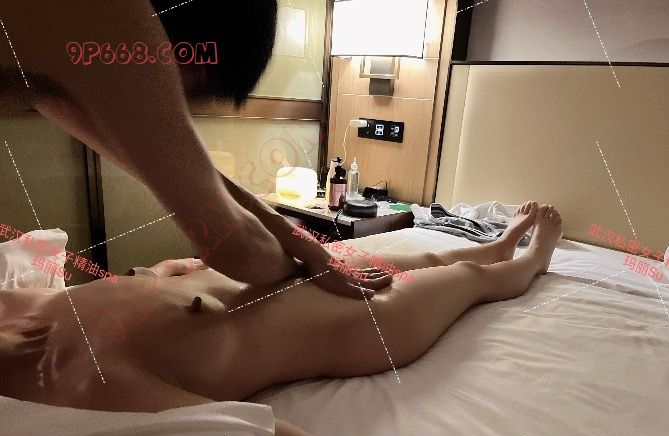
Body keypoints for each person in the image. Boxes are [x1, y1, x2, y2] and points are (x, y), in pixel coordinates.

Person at [0, 204, 649, 436]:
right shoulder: (90, 395)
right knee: (464, 279)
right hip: (350, 324)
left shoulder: (19, 309)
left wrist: (164, 273)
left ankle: (497, 244)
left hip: (271, 273)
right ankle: (526, 261)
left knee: (422, 256)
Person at [0, 0, 391, 299]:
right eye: (197, 93)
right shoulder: (117, 27)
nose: (181, 105)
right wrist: (305, 274)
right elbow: (234, 246)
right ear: (200, 59)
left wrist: (306, 246)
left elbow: (207, 180)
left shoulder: (66, 55)